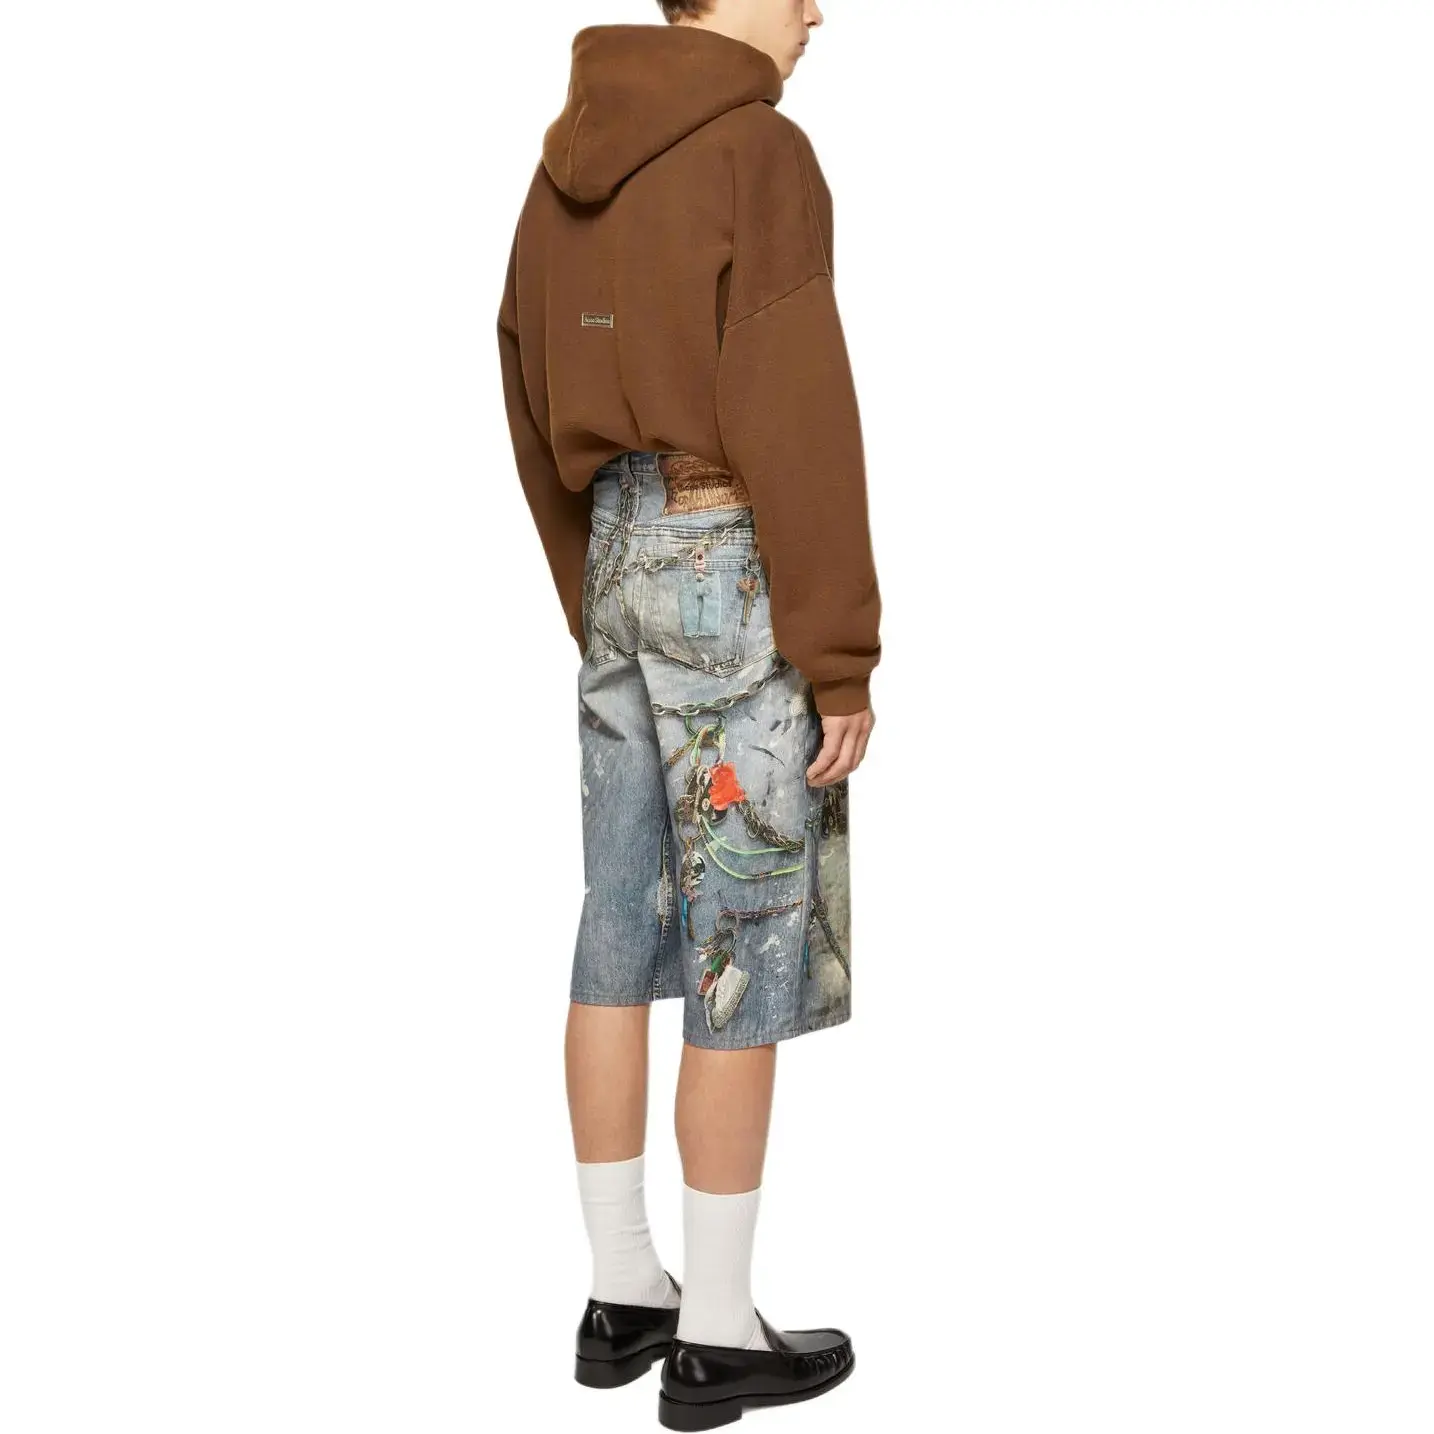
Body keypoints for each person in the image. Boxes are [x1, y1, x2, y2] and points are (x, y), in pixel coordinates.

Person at [496, 2, 881, 1426]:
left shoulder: (563, 160)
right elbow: (796, 400)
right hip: (732, 562)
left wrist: (595, 585)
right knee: (744, 935)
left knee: (615, 923)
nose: (817, 12)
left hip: (613, 559)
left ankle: (622, 1291)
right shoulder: (754, 150)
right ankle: (718, 1331)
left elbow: (521, 373)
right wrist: (839, 652)